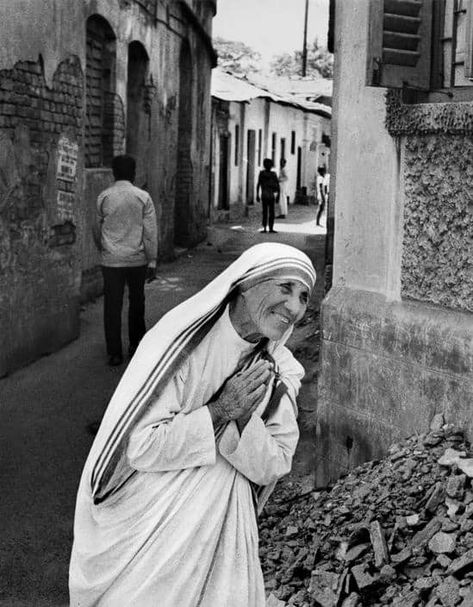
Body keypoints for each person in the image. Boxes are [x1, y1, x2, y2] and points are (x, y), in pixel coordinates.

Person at [69, 242, 316, 607]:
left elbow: (275, 464)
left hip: (225, 533)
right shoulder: (177, 346)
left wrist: (245, 418)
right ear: (247, 282)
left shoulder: (282, 370)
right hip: (152, 531)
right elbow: (140, 446)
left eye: (304, 296)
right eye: (285, 288)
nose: (295, 307)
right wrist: (220, 411)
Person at [93, 155, 158, 367]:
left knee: (112, 305)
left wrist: (102, 248)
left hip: (111, 260)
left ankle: (114, 353)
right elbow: (149, 232)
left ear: (114, 173)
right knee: (137, 302)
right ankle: (135, 345)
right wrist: (152, 260)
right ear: (133, 172)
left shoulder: (104, 197)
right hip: (136, 261)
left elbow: (96, 228)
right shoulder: (143, 197)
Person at [256, 158, 280, 233]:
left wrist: (257, 194)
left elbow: (258, 184)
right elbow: (277, 185)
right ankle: (268, 228)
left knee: (267, 212)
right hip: (269, 195)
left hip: (266, 195)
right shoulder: (272, 174)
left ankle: (267, 228)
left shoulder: (263, 173)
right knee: (269, 212)